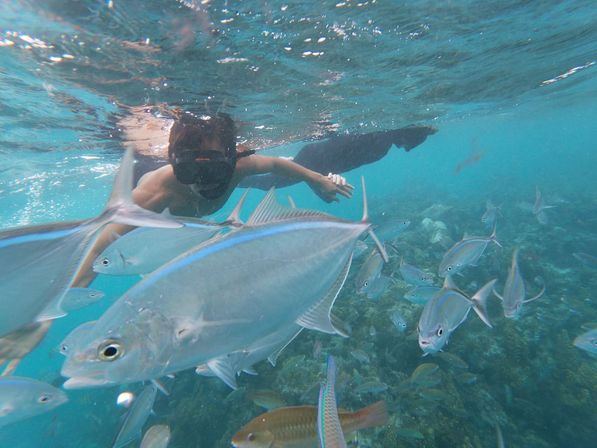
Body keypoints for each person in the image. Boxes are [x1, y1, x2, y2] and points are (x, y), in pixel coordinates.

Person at [73, 110, 353, 287]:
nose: (200, 180)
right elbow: (101, 248)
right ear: (174, 163)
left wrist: (318, 180)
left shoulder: (243, 166)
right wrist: (48, 316)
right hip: (145, 181)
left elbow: (276, 165)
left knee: (270, 181)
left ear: (233, 160)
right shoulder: (159, 189)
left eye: (214, 169)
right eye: (188, 169)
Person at [239, 124, 437, 189]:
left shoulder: (380, 142)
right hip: (315, 160)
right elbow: (336, 154)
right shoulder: (380, 145)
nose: (405, 148)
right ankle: (235, 177)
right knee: (268, 184)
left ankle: (238, 175)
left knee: (269, 183)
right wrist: (317, 182)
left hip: (315, 158)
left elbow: (339, 155)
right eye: (410, 144)